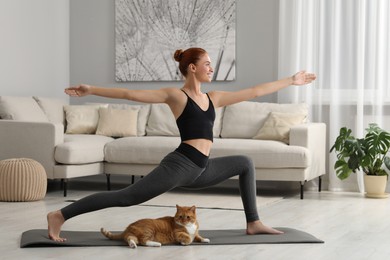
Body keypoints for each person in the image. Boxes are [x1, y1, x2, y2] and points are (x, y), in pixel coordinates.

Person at [47, 47, 316, 242]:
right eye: (207, 63)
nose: (211, 68)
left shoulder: (214, 97)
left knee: (244, 163)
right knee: (126, 197)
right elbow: (130, 94)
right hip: (181, 165)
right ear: (192, 67)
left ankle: (254, 222)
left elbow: (255, 91)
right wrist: (92, 89)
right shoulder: (177, 96)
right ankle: (60, 215)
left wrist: (291, 80)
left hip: (201, 168)